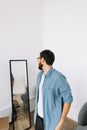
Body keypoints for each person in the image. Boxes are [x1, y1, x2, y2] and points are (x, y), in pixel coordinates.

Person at [34, 49, 73, 130]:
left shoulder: (59, 78)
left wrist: (61, 121)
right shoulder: (39, 75)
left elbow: (68, 100)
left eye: (38, 58)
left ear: (43, 60)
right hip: (38, 118)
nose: (37, 61)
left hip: (51, 122)